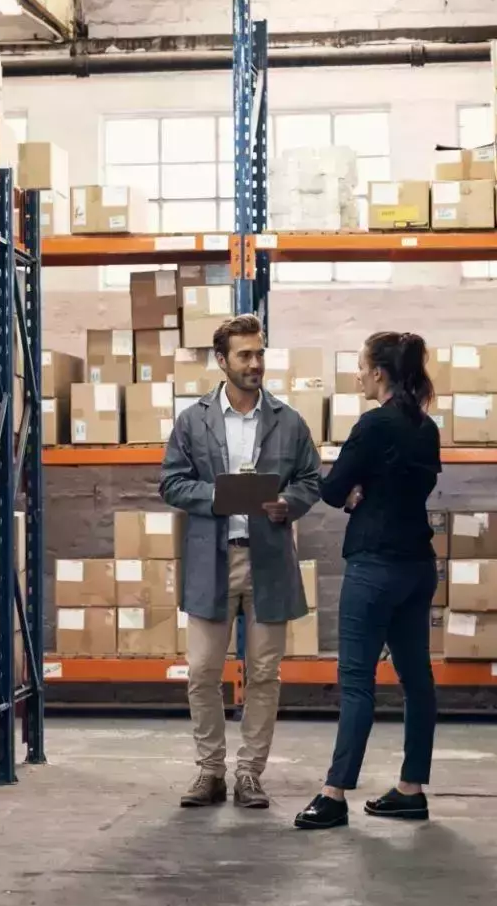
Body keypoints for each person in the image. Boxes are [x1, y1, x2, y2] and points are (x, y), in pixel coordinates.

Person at [159, 314, 322, 810]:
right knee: (202, 672)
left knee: (265, 674)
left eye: (260, 354)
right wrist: (218, 496)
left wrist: (288, 504)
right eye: (245, 355)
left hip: (267, 560)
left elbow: (311, 479)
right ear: (221, 361)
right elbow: (171, 482)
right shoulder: (193, 420)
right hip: (213, 560)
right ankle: (210, 771)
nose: (255, 364)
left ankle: (250, 773)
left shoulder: (288, 421)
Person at [294, 330, 443, 831]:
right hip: (418, 566)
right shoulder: (426, 428)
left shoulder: (373, 424)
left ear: (379, 372)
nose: (357, 374)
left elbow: (331, 488)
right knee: (416, 678)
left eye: (361, 367)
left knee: (357, 680)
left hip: (374, 565)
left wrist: (356, 492)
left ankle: (334, 794)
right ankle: (411, 789)